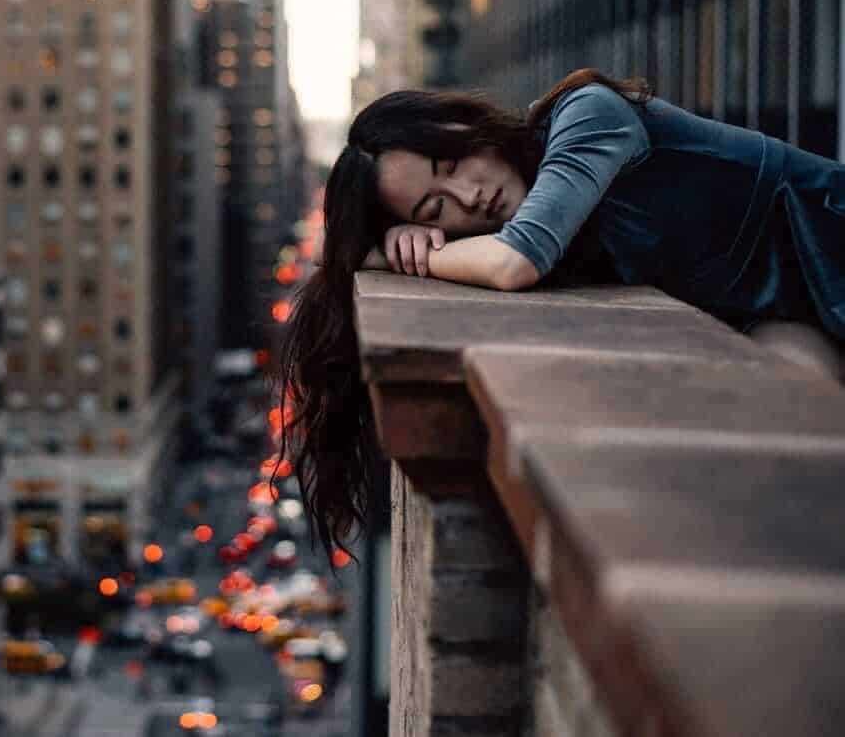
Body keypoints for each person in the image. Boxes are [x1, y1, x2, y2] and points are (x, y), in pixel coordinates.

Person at [277, 67, 845, 559]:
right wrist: (390, 246)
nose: (468, 196)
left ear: (465, 123)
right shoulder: (548, 222)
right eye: (435, 207)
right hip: (786, 313)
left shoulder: (587, 114)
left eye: (451, 161)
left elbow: (516, 261)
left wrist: (415, 254)